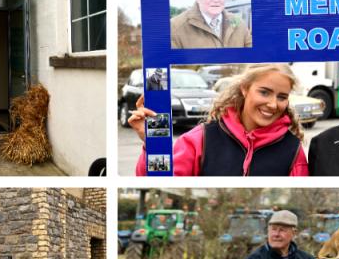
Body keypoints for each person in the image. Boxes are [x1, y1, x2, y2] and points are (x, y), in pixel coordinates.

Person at [129, 64, 308, 176]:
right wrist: (153, 142)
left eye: (282, 97)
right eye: (264, 92)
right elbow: (158, 181)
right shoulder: (200, 140)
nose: (273, 104)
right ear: (245, 88)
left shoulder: (292, 150)